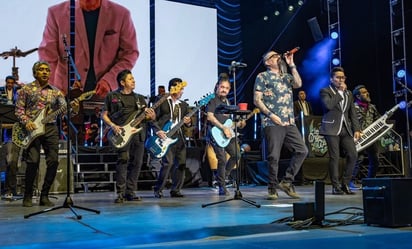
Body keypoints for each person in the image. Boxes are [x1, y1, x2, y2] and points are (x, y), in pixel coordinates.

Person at [38, 0, 139, 98]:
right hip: (66, 95)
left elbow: (130, 53)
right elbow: (47, 56)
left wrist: (110, 80)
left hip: (106, 96)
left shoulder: (121, 14)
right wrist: (50, 91)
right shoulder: (56, 13)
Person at [15, 61, 79, 207]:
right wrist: (27, 121)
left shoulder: (56, 92)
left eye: (47, 70)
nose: (45, 72)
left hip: (50, 128)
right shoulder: (26, 89)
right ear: (35, 73)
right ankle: (28, 195)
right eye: (41, 70)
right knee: (33, 162)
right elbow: (18, 110)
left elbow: (65, 111)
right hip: (32, 129)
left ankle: (44, 195)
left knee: (53, 161)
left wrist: (74, 108)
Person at [253, 50, 308, 200]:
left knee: (302, 150)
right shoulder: (262, 76)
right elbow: (257, 100)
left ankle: (287, 182)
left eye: (278, 55)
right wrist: (271, 115)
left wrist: (292, 65)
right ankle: (272, 188)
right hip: (272, 121)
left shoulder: (286, 77)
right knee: (274, 156)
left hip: (289, 121)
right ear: (267, 62)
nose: (278, 57)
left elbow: (298, 84)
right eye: (274, 56)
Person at [102, 69, 155, 203]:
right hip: (121, 134)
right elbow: (104, 114)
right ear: (122, 82)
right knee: (123, 160)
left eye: (133, 79)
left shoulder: (139, 98)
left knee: (137, 163)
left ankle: (130, 192)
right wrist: (112, 125)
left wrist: (151, 115)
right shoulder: (112, 96)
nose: (134, 81)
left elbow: (148, 117)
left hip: (138, 134)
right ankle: (120, 192)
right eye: (130, 79)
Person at [319, 67, 361, 195]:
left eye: (343, 78)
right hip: (331, 128)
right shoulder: (325, 91)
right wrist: (340, 93)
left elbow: (352, 113)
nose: (340, 80)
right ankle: (335, 186)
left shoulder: (348, 93)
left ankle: (345, 184)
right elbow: (328, 105)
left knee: (353, 154)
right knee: (335, 157)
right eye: (338, 77)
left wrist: (357, 129)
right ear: (332, 79)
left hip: (345, 128)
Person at [206, 73, 246, 196]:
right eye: (222, 87)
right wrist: (223, 128)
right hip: (215, 132)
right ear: (217, 86)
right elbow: (210, 117)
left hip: (226, 133)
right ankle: (222, 186)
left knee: (237, 154)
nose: (224, 90)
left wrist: (239, 124)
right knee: (222, 159)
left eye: (227, 88)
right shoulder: (212, 100)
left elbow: (229, 121)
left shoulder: (228, 102)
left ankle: (223, 176)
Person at [152, 78, 192, 198]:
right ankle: (158, 189)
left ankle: (176, 190)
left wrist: (188, 122)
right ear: (172, 88)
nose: (182, 91)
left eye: (183, 89)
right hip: (165, 136)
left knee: (181, 164)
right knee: (167, 163)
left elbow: (189, 124)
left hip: (179, 137)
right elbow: (152, 118)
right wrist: (157, 130)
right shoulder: (162, 101)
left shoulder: (183, 105)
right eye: (180, 88)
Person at [350, 85, 380, 186]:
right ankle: (351, 181)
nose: (367, 93)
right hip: (359, 138)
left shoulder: (372, 107)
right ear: (358, 96)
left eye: (367, 91)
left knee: (375, 159)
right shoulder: (353, 108)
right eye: (364, 92)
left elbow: (377, 120)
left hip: (371, 137)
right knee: (358, 160)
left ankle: (370, 181)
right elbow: (350, 123)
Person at [0, 76, 21, 199]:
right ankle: (8, 189)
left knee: (13, 162)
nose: (10, 85)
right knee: (8, 161)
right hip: (6, 129)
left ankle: (11, 189)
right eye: (8, 83)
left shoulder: (17, 93)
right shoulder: (1, 91)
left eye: (12, 83)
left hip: (16, 129)